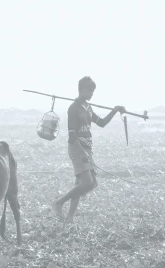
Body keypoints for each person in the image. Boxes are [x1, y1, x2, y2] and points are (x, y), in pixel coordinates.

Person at [52, 76, 124, 223]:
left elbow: (102, 123)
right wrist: (82, 153)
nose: (92, 94)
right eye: (90, 90)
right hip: (77, 148)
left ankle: (69, 218)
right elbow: (72, 135)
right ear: (82, 90)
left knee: (81, 184)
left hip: (87, 148)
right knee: (87, 183)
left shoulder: (88, 107)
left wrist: (115, 110)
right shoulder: (73, 108)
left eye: (93, 91)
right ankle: (59, 202)